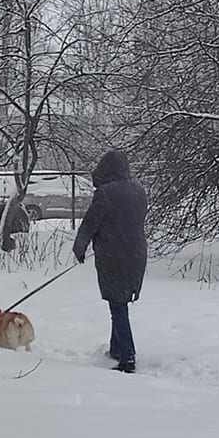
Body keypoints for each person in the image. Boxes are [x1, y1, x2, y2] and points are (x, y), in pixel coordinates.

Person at [73, 149, 148, 373]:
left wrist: (80, 247)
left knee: (118, 305)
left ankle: (127, 357)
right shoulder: (139, 190)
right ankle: (116, 348)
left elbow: (91, 222)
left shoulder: (106, 193)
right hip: (136, 253)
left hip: (113, 255)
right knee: (119, 302)